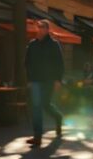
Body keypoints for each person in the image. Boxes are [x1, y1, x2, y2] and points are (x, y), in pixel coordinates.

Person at [24, 19, 65, 147]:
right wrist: (29, 79)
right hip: (35, 80)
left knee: (45, 104)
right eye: (38, 27)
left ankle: (58, 117)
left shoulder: (54, 44)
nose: (39, 29)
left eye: (42, 27)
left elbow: (60, 63)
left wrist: (58, 79)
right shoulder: (32, 44)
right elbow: (27, 62)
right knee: (36, 107)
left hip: (49, 80)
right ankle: (37, 137)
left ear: (47, 30)